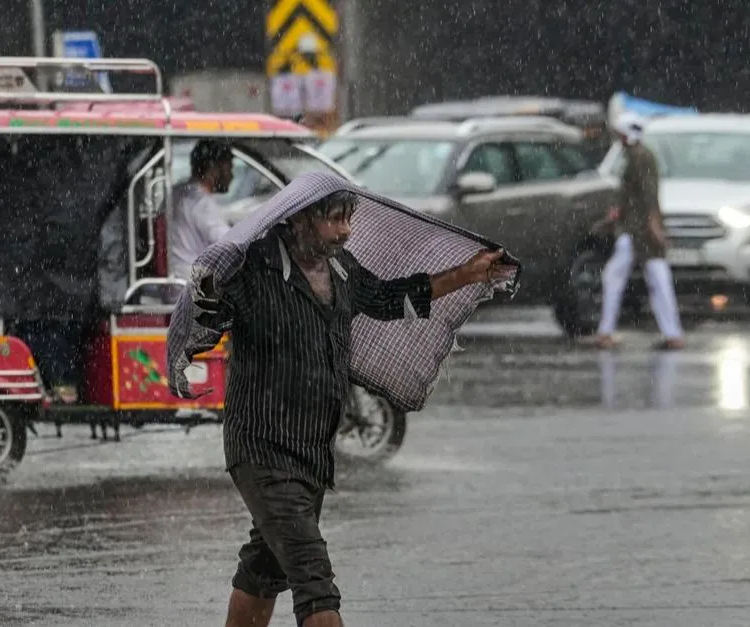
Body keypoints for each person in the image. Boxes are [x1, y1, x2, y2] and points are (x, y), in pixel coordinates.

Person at [175, 190, 517, 627]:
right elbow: (209, 306)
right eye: (334, 220)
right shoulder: (253, 269)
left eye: (347, 219)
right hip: (263, 451)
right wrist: (205, 295)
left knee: (266, 567)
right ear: (298, 220)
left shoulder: (340, 269)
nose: (345, 231)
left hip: (312, 452)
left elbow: (392, 298)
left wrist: (467, 274)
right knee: (316, 584)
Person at [592, 112, 684, 350]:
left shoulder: (641, 157)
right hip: (637, 229)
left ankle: (607, 331)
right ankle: (671, 333)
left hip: (638, 231)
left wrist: (654, 227)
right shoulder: (637, 156)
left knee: (634, 278)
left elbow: (648, 195)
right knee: (655, 279)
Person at [169, 140, 234, 280]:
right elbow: (230, 245)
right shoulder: (201, 203)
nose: (231, 175)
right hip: (192, 285)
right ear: (213, 169)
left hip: (176, 277)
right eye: (229, 167)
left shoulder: (177, 193)